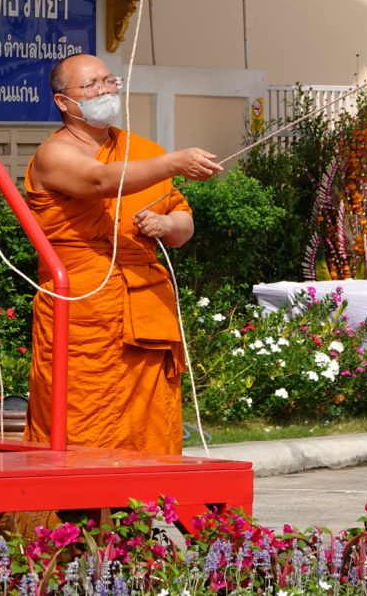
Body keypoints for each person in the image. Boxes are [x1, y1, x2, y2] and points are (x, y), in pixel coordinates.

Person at [23, 54, 223, 455]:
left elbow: (183, 220)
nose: (105, 90)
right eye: (91, 85)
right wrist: (174, 161)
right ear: (64, 102)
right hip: (82, 310)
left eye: (109, 81)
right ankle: (72, 511)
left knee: (147, 420)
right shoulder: (53, 154)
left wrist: (167, 227)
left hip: (145, 305)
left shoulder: (139, 151)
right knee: (79, 417)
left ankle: (139, 510)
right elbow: (99, 180)